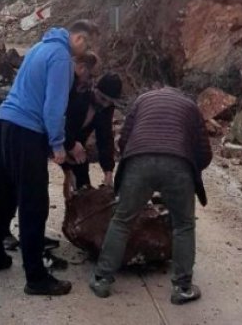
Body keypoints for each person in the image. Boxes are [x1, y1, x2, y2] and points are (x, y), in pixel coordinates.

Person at [0, 20, 99, 297]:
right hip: (27, 131)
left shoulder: (39, 47)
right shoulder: (61, 57)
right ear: (79, 39)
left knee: (2, 195)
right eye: (89, 44)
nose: (86, 51)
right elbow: (53, 106)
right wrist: (58, 145)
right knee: (33, 203)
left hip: (5, 125)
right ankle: (36, 277)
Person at [89, 86, 212, 306]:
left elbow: (124, 140)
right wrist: (190, 168)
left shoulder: (141, 100)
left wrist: (136, 159)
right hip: (178, 163)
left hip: (139, 161)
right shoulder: (190, 107)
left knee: (122, 221)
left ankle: (102, 280)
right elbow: (204, 151)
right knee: (183, 225)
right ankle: (182, 288)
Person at [63, 71, 122, 199]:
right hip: (55, 137)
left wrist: (108, 170)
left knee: (84, 188)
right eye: (102, 98)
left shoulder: (106, 108)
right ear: (95, 88)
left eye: (109, 102)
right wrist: (71, 144)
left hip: (77, 146)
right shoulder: (78, 95)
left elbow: (105, 137)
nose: (104, 104)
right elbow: (59, 121)